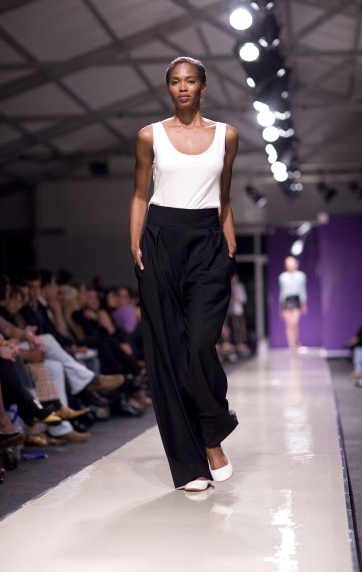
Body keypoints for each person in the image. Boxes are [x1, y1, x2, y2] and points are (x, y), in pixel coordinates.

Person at [129, 56, 239, 492]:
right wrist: (134, 242)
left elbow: (224, 197)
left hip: (208, 242)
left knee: (199, 344)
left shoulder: (226, 135)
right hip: (160, 241)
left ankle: (213, 432)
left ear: (203, 86)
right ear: (168, 88)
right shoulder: (149, 136)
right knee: (169, 355)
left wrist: (229, 243)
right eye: (175, 81)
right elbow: (140, 194)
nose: (183, 87)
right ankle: (191, 465)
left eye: (191, 80)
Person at [279, 256, 307, 349]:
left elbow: (302, 290)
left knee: (294, 322)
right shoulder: (282, 277)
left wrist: (304, 304)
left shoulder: (301, 276)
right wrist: (281, 307)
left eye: (292, 263)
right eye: (288, 263)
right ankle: (291, 345)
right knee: (288, 324)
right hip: (286, 300)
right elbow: (282, 292)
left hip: (296, 300)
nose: (290, 265)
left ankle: (296, 341)